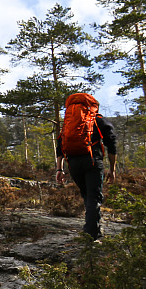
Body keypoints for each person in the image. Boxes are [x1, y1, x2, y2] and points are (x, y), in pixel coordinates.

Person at [55, 93, 118, 240]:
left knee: (87, 195)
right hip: (92, 161)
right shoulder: (96, 119)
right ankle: (92, 235)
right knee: (94, 197)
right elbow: (111, 143)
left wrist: (59, 169)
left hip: (73, 164)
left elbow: (60, 146)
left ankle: (93, 227)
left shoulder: (68, 123)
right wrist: (112, 169)